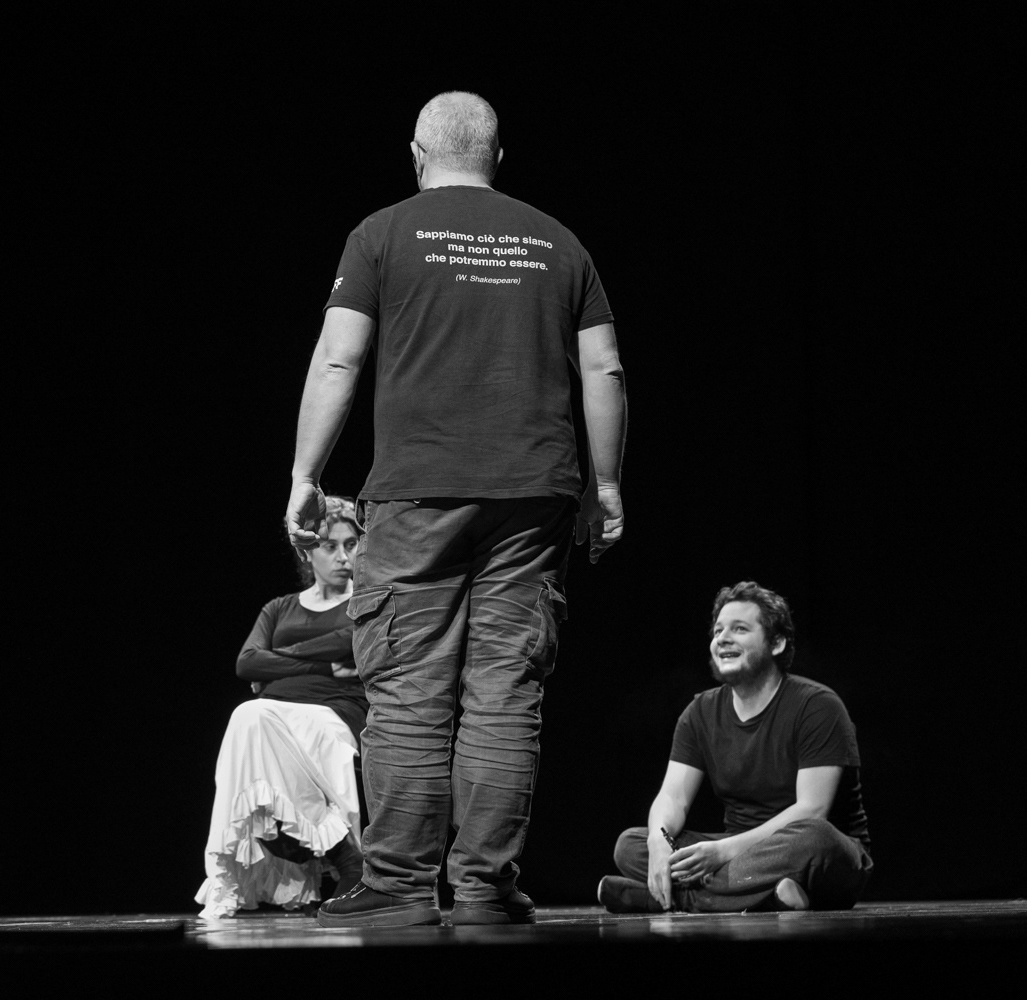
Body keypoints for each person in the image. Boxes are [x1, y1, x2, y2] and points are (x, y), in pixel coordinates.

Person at [286, 91, 628, 927]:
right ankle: (485, 890)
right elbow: (605, 370)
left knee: (408, 689)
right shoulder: (558, 241)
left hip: (418, 492)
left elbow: (338, 360)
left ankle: (402, 889)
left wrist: (305, 474)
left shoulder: (382, 234)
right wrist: (607, 486)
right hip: (535, 495)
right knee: (505, 691)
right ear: (497, 158)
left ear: (416, 155)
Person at [600, 582, 873, 913]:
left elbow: (812, 810)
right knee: (631, 845)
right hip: (741, 853)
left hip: (816, 855)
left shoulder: (817, 706)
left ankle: (671, 899)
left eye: (739, 629)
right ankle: (770, 897)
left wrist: (723, 853)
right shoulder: (699, 712)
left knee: (816, 837)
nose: (723, 639)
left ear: (777, 643)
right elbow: (673, 798)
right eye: (718, 631)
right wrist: (658, 841)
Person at [196, 497, 369, 918]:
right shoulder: (279, 608)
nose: (343, 556)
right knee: (250, 715)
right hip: (275, 714)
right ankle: (336, 851)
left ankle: (302, 841)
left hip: (334, 712)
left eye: (351, 544)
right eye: (330, 545)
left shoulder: (363, 603)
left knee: (252, 715)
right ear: (307, 553)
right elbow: (246, 663)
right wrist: (323, 663)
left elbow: (347, 642)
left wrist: (276, 661)